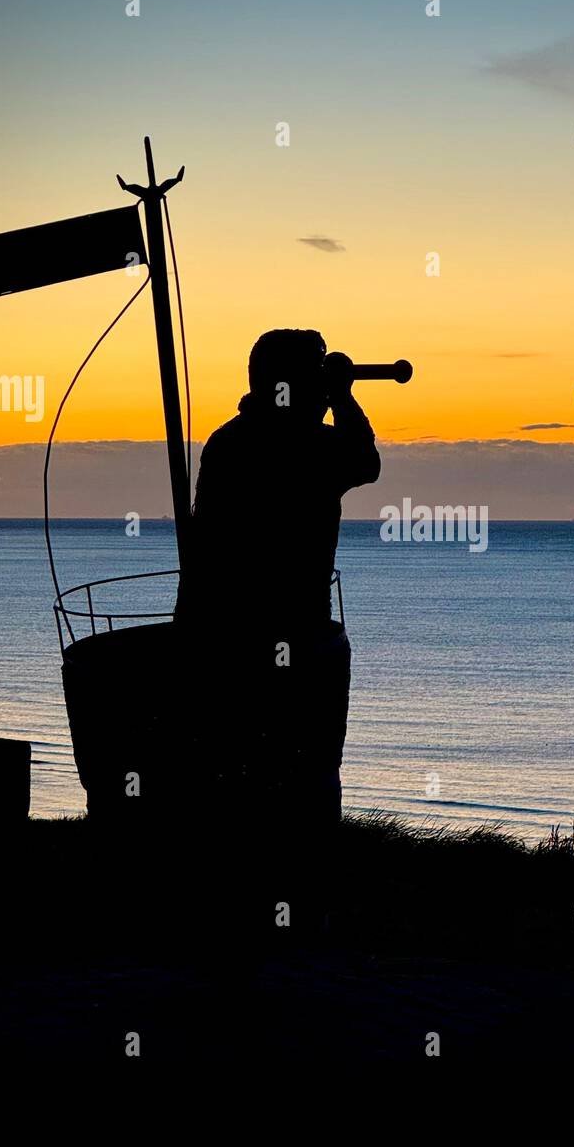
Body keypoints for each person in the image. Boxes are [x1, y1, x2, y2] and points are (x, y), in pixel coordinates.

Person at [177, 328, 381, 821]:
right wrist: (343, 397)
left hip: (217, 632)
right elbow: (365, 461)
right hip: (291, 632)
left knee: (231, 774)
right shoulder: (307, 444)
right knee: (301, 777)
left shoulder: (228, 441)